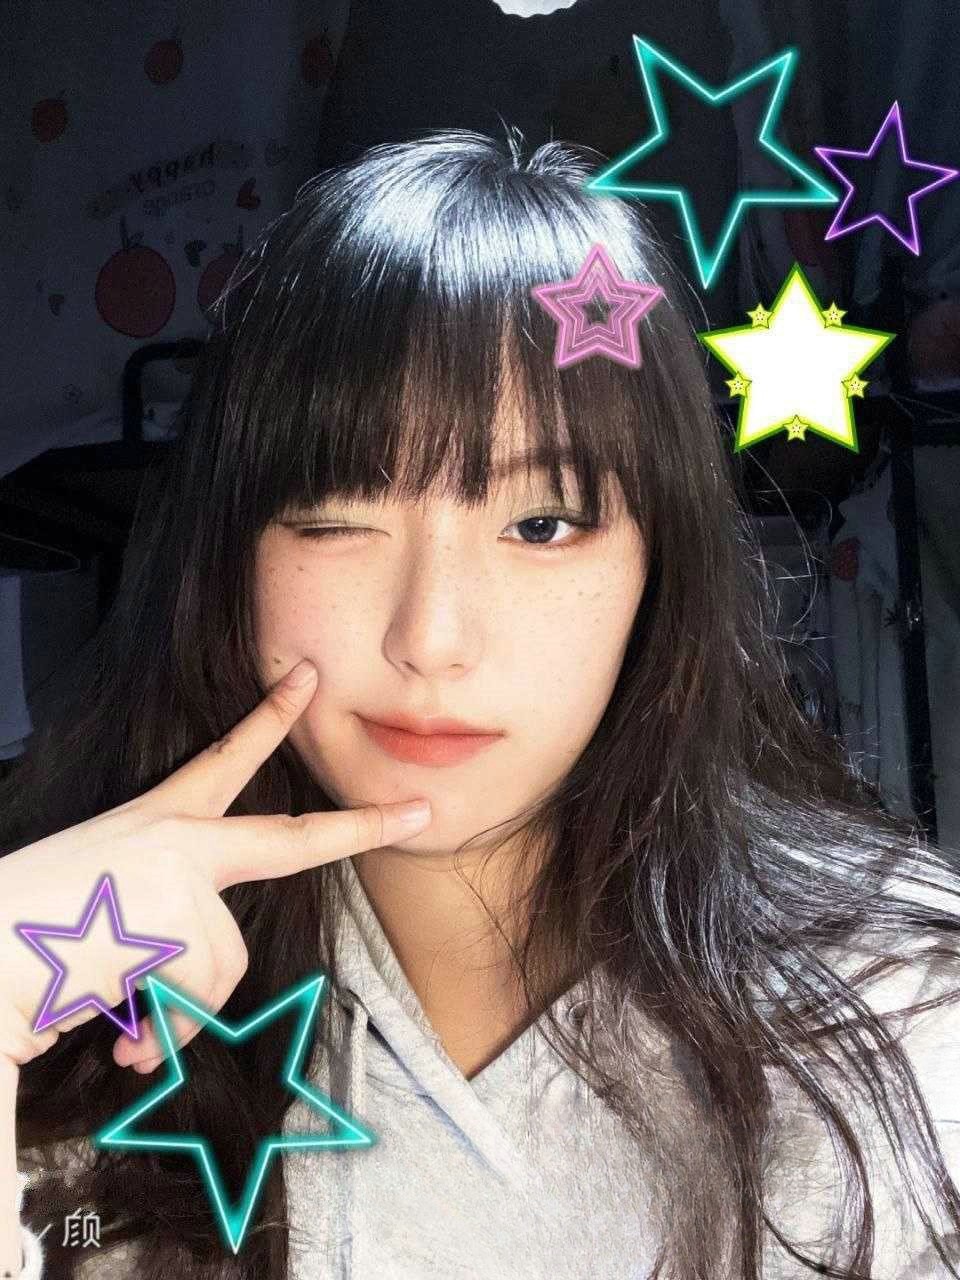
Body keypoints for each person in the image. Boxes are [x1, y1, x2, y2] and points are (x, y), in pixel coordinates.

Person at [1, 128, 959, 1280]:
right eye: (338, 517)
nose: (431, 639)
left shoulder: (897, 1017)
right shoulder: (68, 991)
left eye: (540, 524)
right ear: (232, 555)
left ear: (660, 567)